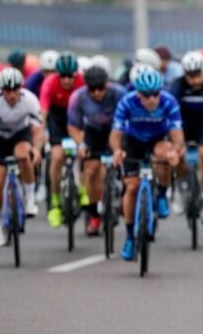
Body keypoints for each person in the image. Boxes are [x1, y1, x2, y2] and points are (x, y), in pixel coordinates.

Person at [109, 69, 185, 261]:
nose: (152, 99)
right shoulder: (127, 102)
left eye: (155, 94)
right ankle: (129, 237)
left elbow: (177, 135)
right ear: (138, 94)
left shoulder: (169, 102)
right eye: (146, 95)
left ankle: (162, 194)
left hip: (157, 139)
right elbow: (116, 133)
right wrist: (117, 151)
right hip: (133, 141)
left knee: (165, 154)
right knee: (132, 188)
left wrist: (175, 152)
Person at [0, 67, 44, 247]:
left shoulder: (30, 100)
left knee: (23, 155)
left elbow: (38, 130)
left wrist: (36, 149)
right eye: (7, 91)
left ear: (20, 88)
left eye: (15, 90)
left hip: (20, 134)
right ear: (1, 90)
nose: (12, 95)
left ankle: (30, 198)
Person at [67, 65, 126, 236]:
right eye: (92, 89)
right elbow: (73, 126)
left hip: (116, 131)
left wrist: (121, 147)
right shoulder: (78, 97)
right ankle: (93, 214)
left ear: (106, 84)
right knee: (91, 170)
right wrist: (80, 144)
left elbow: (129, 119)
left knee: (111, 168)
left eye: (100, 88)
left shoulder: (119, 93)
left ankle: (117, 193)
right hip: (93, 132)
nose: (97, 93)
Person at [168, 50, 203, 223]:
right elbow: (172, 114)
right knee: (178, 154)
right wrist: (177, 140)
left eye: (198, 75)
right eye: (190, 76)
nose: (194, 80)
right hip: (182, 122)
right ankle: (180, 188)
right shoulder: (177, 85)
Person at [39, 52, 86, 228]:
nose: (66, 80)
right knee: (57, 157)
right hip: (57, 119)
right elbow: (43, 112)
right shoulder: (49, 83)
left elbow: (88, 109)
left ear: (76, 74)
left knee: (83, 152)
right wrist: (42, 131)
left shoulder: (82, 82)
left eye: (70, 76)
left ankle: (82, 188)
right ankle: (55, 201)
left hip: (77, 116)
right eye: (63, 76)